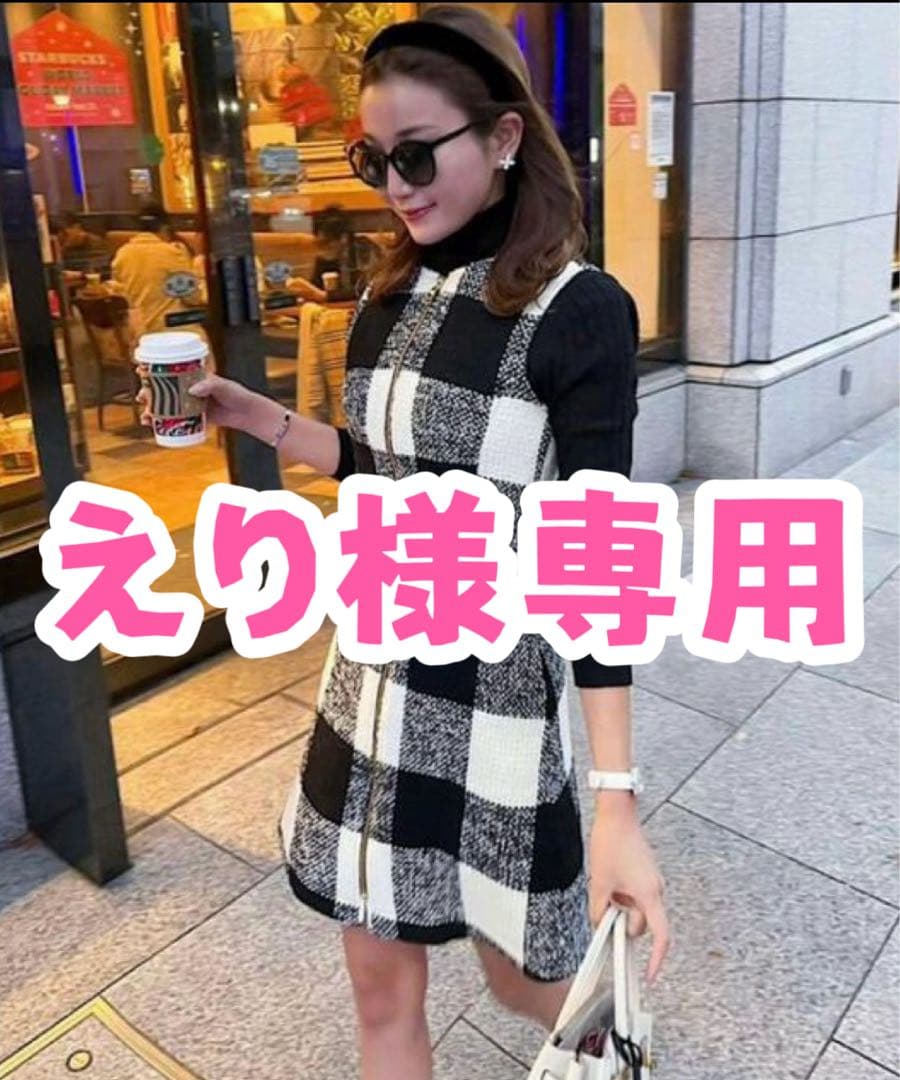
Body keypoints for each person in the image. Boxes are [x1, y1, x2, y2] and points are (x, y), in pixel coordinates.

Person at [138, 7, 669, 1076]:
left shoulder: (578, 309)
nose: (395, 185)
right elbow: (385, 472)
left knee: (531, 984)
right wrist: (265, 420)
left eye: (418, 154)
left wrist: (617, 800)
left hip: (497, 705)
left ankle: (616, 1048)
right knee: (380, 994)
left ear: (505, 136)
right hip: (371, 689)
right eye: (373, 159)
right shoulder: (387, 297)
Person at [111, 202, 200, 338]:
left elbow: (119, 292)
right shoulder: (172, 252)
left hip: (139, 332)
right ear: (164, 228)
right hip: (172, 326)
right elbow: (192, 298)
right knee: (209, 319)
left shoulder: (122, 253)